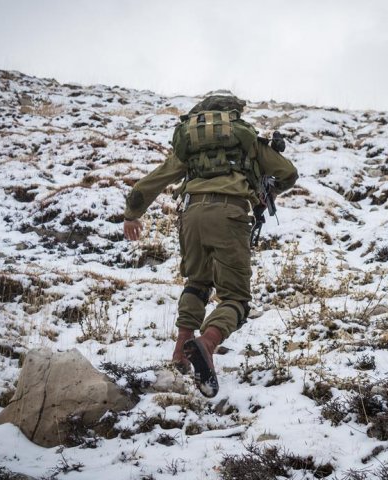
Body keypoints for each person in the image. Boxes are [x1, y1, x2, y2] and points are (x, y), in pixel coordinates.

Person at [123, 93, 298, 398]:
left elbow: (154, 180)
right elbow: (288, 173)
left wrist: (131, 214)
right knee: (236, 299)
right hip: (229, 215)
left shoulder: (190, 147)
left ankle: (181, 352)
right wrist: (266, 190)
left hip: (191, 216)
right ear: (234, 115)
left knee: (197, 282)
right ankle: (207, 344)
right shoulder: (248, 142)